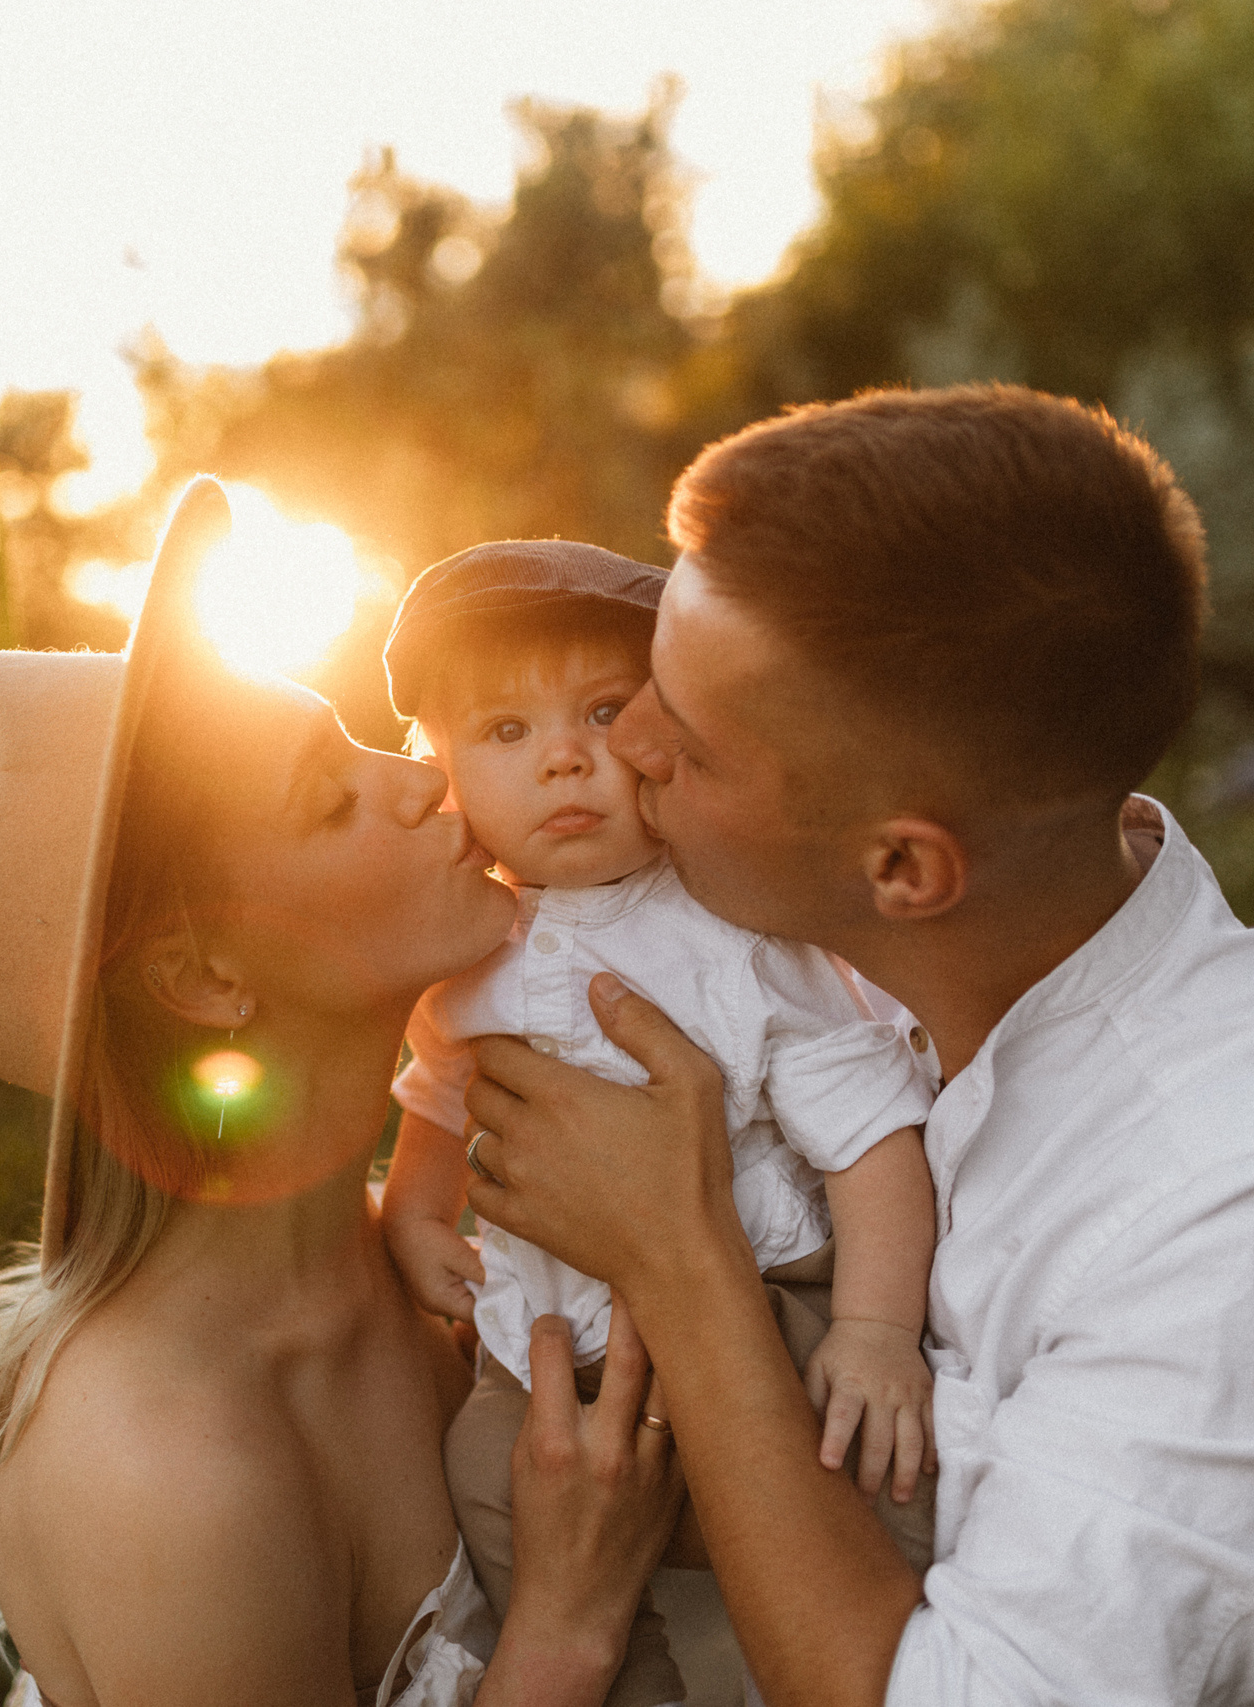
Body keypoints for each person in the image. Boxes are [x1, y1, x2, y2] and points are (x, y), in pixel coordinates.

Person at [458, 385, 1254, 1704]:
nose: (633, 748)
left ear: (901, 864)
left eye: (686, 730)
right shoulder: (840, 980)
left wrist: (681, 1260)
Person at [0, 479, 680, 1707]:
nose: (421, 782)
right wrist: (565, 1625)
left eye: (356, 741)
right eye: (331, 801)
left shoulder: (429, 1260)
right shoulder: (163, 1465)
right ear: (203, 975)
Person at [373, 540, 940, 1707]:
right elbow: (438, 1090)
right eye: (506, 733)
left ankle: (920, 1646)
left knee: (868, 1469)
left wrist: (877, 1328)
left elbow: (870, 1128)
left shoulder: (734, 929)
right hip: (540, 1353)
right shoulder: (461, 951)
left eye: (599, 712)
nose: (566, 759)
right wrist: (419, 1209)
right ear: (443, 776)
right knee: (484, 1485)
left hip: (772, 1293)